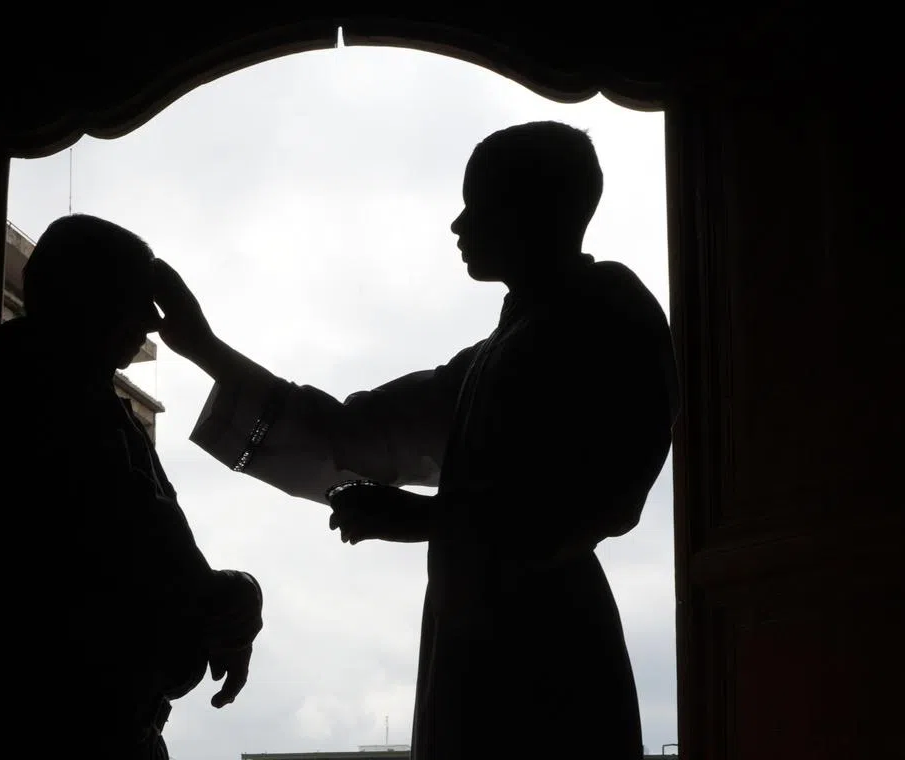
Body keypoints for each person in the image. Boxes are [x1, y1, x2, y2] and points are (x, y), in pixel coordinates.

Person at [153, 122, 680, 759]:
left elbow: (599, 497)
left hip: (548, 645)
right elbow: (356, 430)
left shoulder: (605, 315)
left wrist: (425, 518)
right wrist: (204, 348)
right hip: (495, 634)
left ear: (536, 208)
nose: (459, 225)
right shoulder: (496, 355)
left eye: (478, 204)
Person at [0, 214, 263, 760]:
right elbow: (142, 549)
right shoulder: (53, 411)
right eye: (139, 303)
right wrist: (232, 595)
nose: (149, 325)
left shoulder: (43, 397)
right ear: (98, 306)